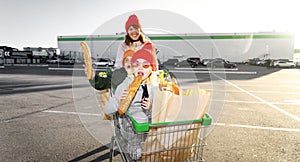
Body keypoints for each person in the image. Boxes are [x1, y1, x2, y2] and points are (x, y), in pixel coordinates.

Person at [105, 42, 160, 123]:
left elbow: (160, 113)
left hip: (150, 130)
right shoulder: (125, 85)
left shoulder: (154, 87)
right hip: (129, 130)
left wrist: (151, 108)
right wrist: (118, 101)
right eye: (136, 64)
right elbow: (107, 110)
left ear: (151, 69)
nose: (140, 68)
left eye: (145, 65)